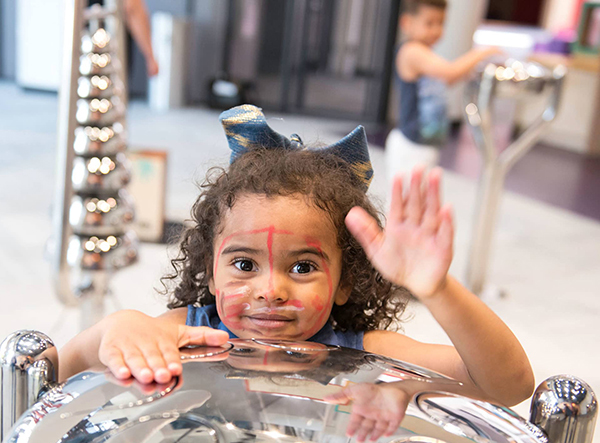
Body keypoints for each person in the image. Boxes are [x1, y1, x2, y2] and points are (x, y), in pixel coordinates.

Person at [59, 104, 534, 417]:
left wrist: (438, 290)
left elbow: (507, 385)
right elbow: (62, 371)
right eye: (244, 265)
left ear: (346, 281)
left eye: (303, 267)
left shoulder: (364, 354)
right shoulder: (188, 332)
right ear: (210, 268)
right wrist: (115, 328)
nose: (271, 290)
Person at [385, 0, 498, 187]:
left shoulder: (426, 53)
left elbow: (451, 78)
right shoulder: (411, 51)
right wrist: (482, 53)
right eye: (429, 23)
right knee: (406, 201)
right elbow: (450, 72)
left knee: (421, 200)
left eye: (441, 23)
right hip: (411, 145)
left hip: (424, 144)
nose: (436, 30)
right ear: (407, 23)